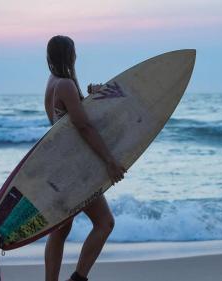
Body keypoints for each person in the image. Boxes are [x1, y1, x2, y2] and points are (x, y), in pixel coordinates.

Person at [43, 35, 126, 281]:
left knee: (60, 229)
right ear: (71, 56)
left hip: (59, 165)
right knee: (105, 223)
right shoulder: (66, 85)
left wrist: (92, 97)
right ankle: (78, 279)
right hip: (73, 169)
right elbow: (83, 127)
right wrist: (110, 161)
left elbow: (67, 122)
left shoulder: (53, 82)